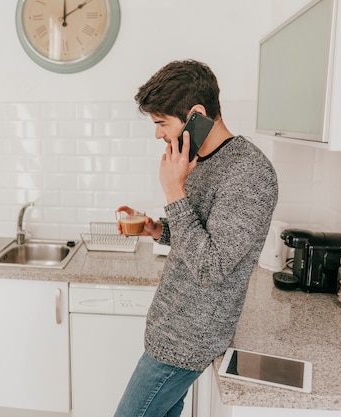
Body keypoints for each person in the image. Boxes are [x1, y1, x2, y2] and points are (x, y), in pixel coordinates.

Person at [114, 60, 278, 417]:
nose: (157, 134)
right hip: (171, 327)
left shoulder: (248, 172)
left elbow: (211, 265)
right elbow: (200, 237)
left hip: (189, 338)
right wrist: (158, 229)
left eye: (161, 123)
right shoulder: (203, 159)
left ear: (196, 114)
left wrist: (174, 193)